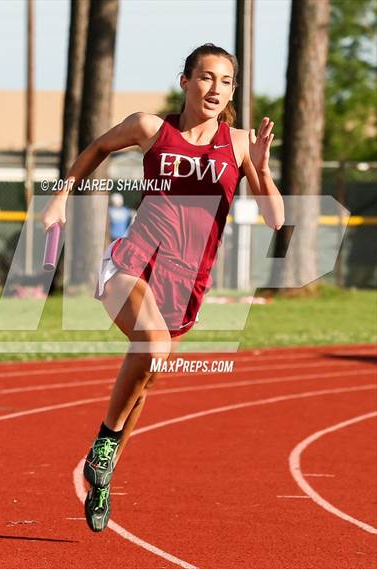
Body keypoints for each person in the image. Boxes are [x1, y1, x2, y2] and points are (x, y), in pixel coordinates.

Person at [41, 43, 284, 533]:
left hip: (184, 284)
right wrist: (60, 199)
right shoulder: (151, 128)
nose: (216, 89)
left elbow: (276, 218)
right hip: (131, 262)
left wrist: (261, 166)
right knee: (150, 343)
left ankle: (102, 473)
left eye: (226, 81)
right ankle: (105, 443)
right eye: (207, 78)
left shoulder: (237, 144)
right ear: (186, 81)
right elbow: (97, 149)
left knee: (146, 381)